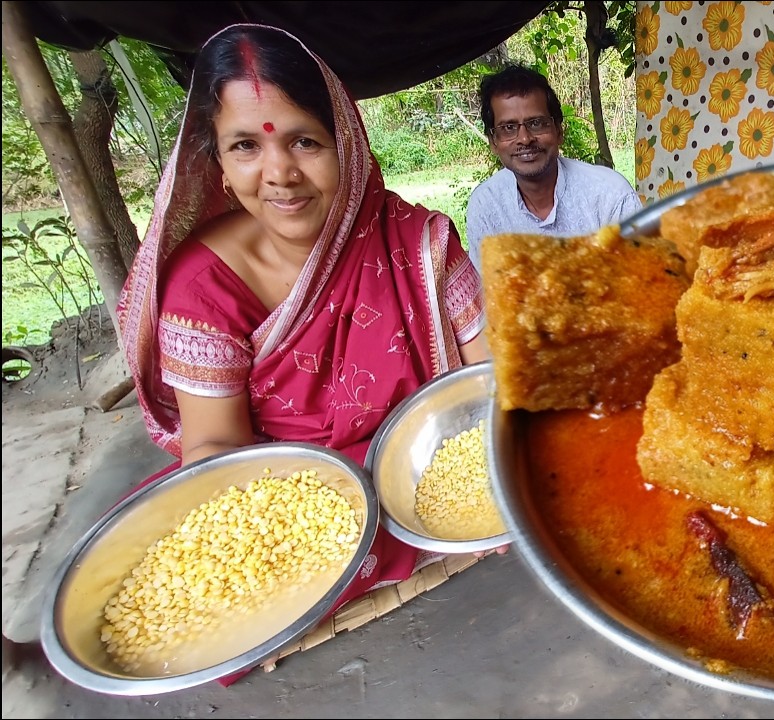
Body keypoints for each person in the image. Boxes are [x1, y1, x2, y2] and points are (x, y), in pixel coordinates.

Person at [117, 24, 494, 679]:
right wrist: (308, 516)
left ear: (344, 142)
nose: (280, 174)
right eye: (245, 147)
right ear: (220, 164)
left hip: (424, 465)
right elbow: (214, 453)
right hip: (289, 494)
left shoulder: (417, 238)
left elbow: (493, 383)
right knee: (205, 605)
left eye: (304, 141)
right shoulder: (202, 286)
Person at [464, 64, 643, 271]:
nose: (525, 138)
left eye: (536, 123)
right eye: (509, 128)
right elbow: (487, 296)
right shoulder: (487, 204)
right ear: (493, 141)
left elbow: (641, 286)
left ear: (559, 131)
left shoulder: (609, 195)